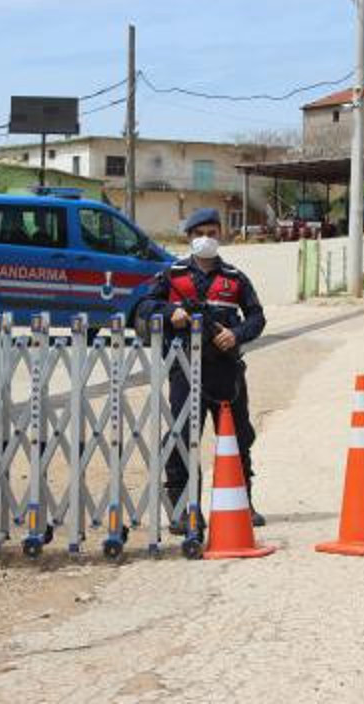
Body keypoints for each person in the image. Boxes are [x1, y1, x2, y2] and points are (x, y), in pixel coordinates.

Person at [135, 207, 266, 533]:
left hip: (227, 369)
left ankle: (243, 504)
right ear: (188, 236)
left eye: (211, 231)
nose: (205, 238)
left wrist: (236, 334)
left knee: (238, 435)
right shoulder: (172, 275)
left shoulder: (234, 278)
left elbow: (257, 317)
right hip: (184, 369)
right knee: (182, 436)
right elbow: (143, 308)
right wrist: (170, 313)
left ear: (220, 233)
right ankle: (182, 512)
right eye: (198, 233)